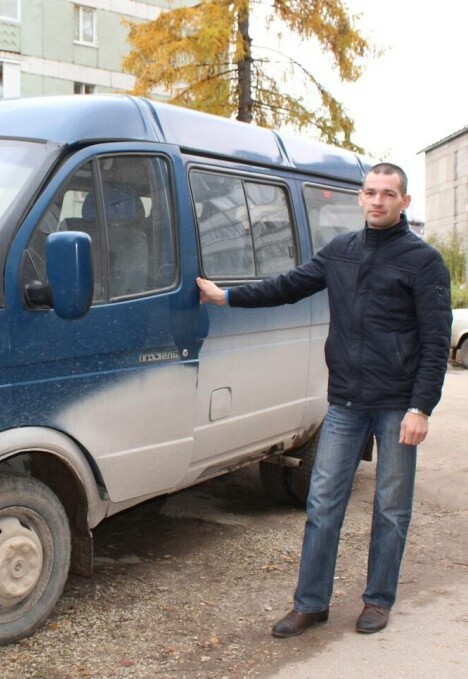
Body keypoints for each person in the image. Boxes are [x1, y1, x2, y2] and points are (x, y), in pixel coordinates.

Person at [197, 162, 452, 638]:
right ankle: (311, 604)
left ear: (404, 202)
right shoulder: (342, 251)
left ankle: (377, 600)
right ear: (361, 198)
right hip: (346, 403)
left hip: (398, 404)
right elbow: (287, 286)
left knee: (391, 508)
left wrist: (421, 408)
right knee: (322, 503)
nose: (377, 201)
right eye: (370, 192)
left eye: (388, 194)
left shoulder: (423, 262)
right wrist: (226, 297)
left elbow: (437, 343)